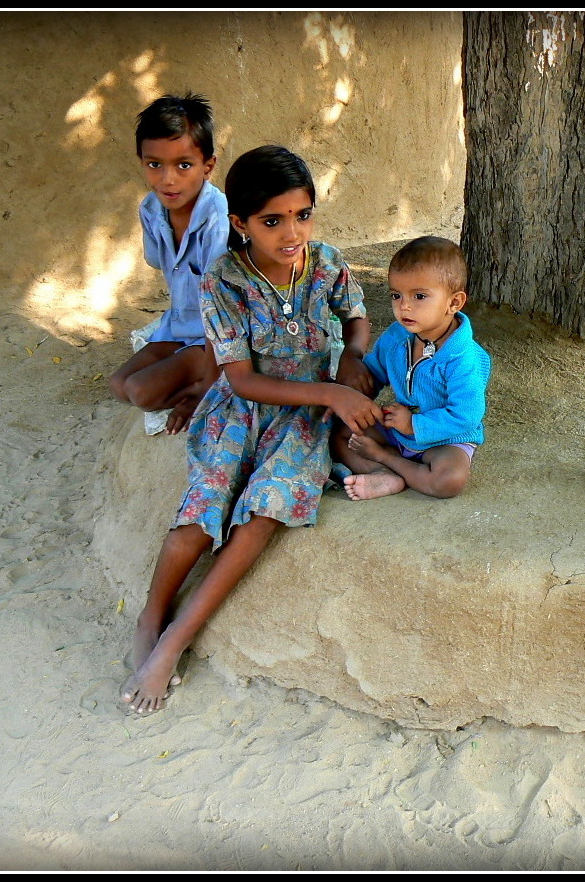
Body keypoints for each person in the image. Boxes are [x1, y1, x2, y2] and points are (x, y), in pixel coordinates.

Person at [120, 145, 381, 714]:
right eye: (272, 221)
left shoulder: (328, 262)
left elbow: (356, 315)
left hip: (305, 420)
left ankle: (178, 636)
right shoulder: (223, 281)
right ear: (239, 222)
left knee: (264, 510)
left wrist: (353, 355)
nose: (291, 233)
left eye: (302, 215)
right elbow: (240, 379)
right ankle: (152, 613)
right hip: (246, 408)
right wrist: (331, 392)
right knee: (203, 507)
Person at [332, 236, 491, 501]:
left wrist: (413, 424)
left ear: (454, 303)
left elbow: (466, 415)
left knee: (449, 481)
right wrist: (345, 396)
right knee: (339, 431)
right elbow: (372, 374)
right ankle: (383, 474)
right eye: (396, 295)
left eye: (419, 296)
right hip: (395, 428)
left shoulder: (465, 358)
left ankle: (385, 460)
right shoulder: (397, 337)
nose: (404, 306)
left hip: (444, 440)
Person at [109, 92, 229, 435]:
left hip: (218, 336)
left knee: (142, 392)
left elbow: (220, 310)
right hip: (179, 326)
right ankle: (189, 371)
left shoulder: (216, 220)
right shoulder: (151, 209)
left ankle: (205, 386)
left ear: (208, 166)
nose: (168, 179)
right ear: (141, 161)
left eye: (184, 165)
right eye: (154, 164)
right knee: (119, 385)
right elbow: (160, 263)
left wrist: (202, 390)